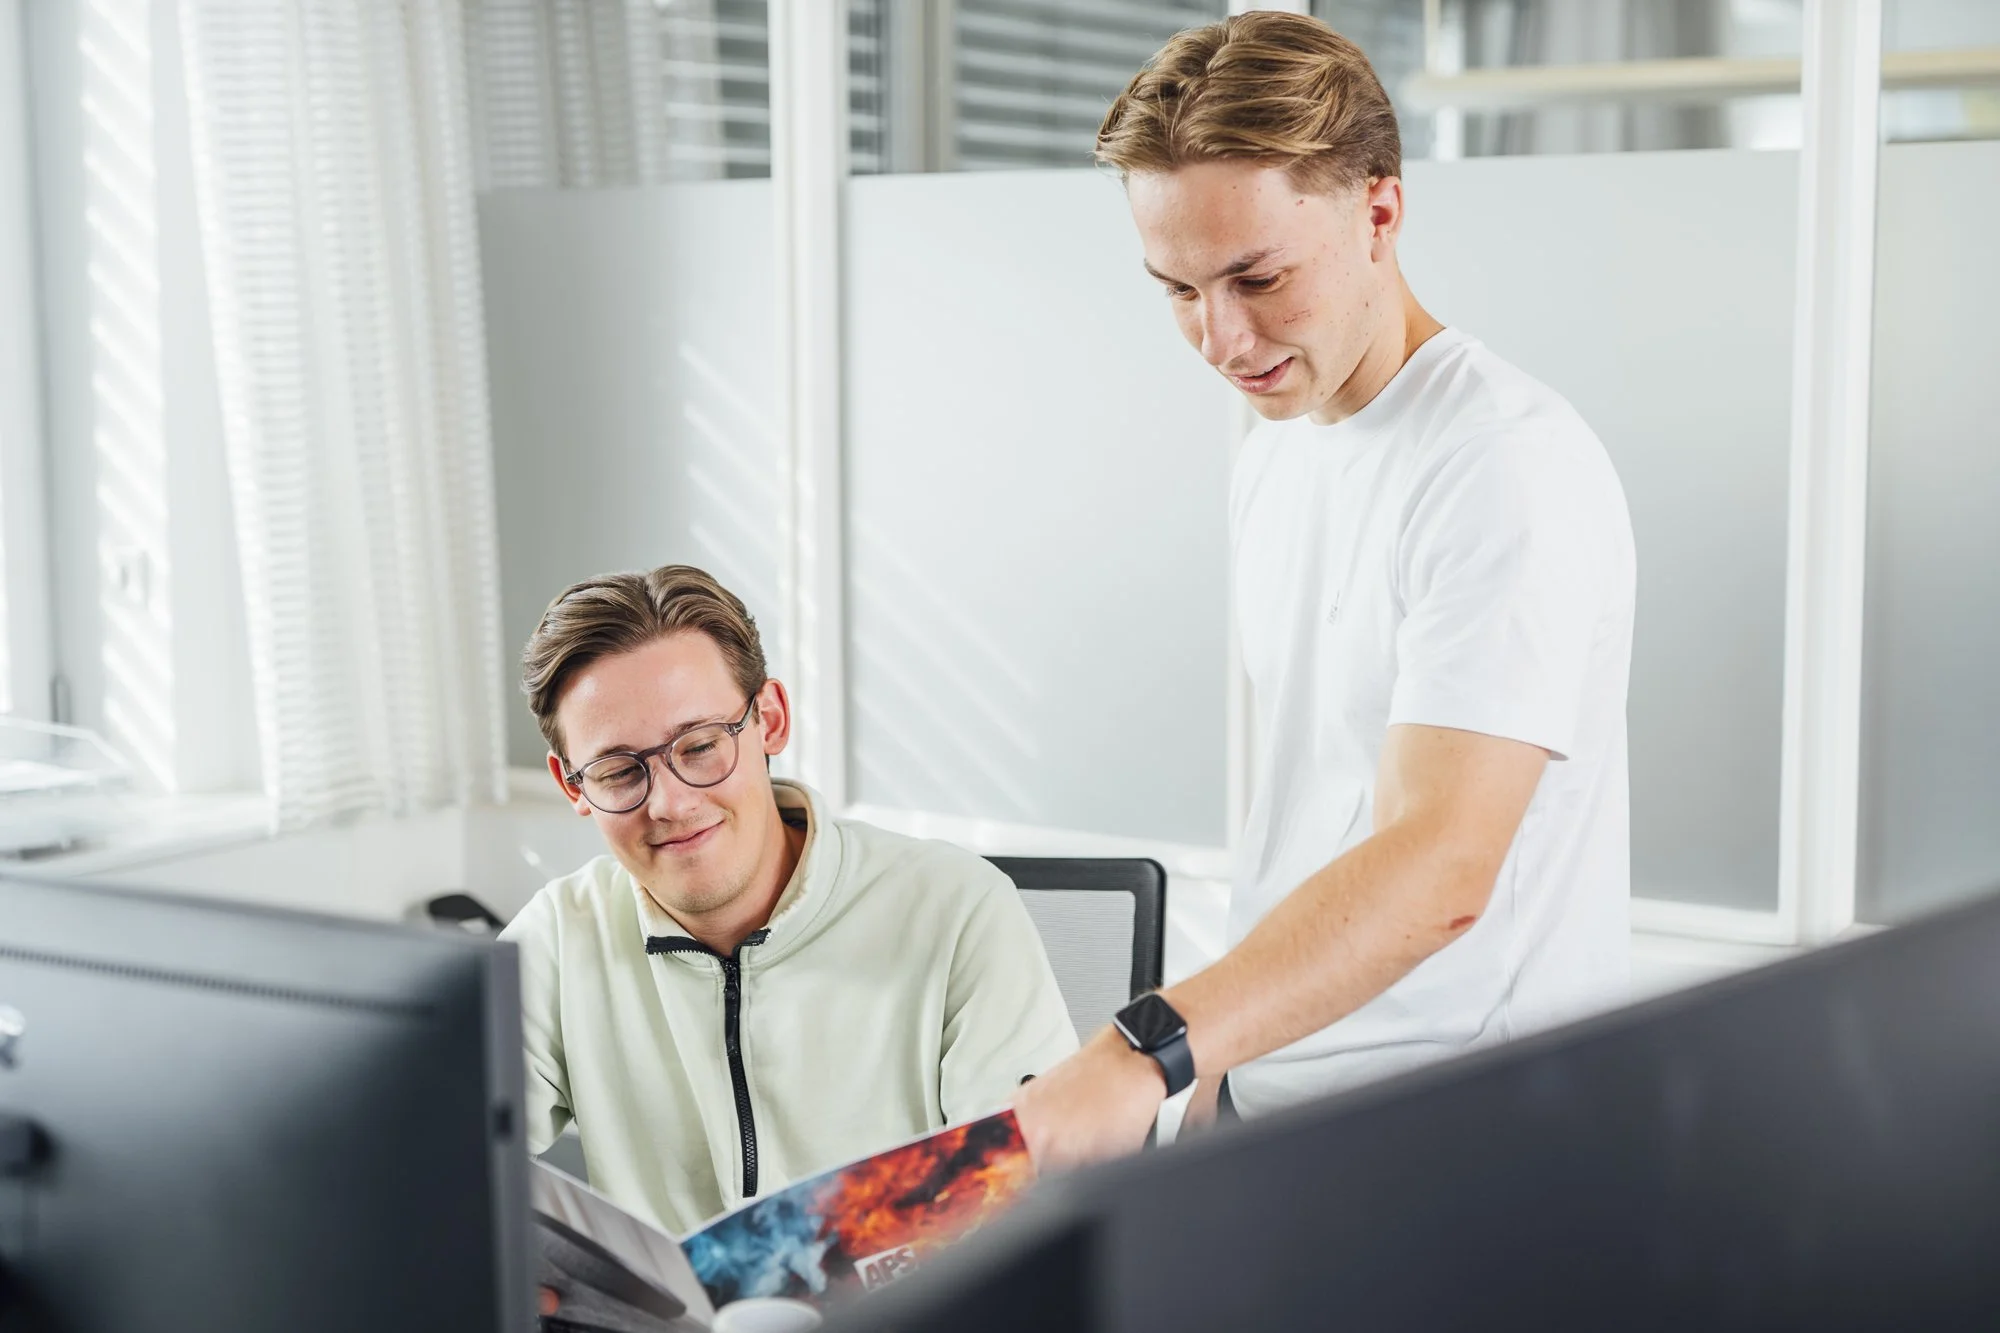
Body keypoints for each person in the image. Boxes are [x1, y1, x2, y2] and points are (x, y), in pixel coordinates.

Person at [1015, 11, 1636, 1167]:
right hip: (1289, 1103)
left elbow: (1441, 862)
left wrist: (1145, 1048)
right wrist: (1213, 1076)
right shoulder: (1281, 445)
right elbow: (1312, 811)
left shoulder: (1500, 463)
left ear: (1380, 211)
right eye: (1177, 289)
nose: (1220, 337)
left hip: (1474, 1135)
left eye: (1257, 277)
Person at [503, 564, 1076, 1233]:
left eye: (700, 744)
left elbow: (1033, 1210)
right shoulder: (556, 940)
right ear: (572, 785)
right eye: (618, 771)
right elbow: (422, 1157)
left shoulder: (959, 910)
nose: (671, 802)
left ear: (769, 720)